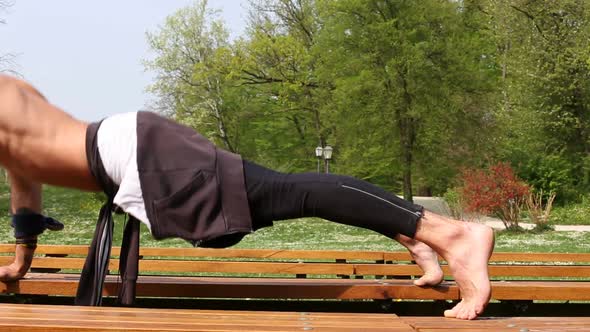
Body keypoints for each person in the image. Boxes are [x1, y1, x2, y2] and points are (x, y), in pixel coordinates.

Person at [0, 74, 494, 320]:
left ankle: (451, 233)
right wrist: (23, 262)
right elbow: (25, 175)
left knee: (288, 192)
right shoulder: (12, 93)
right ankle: (416, 233)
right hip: (131, 152)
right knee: (278, 196)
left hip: (135, 156)